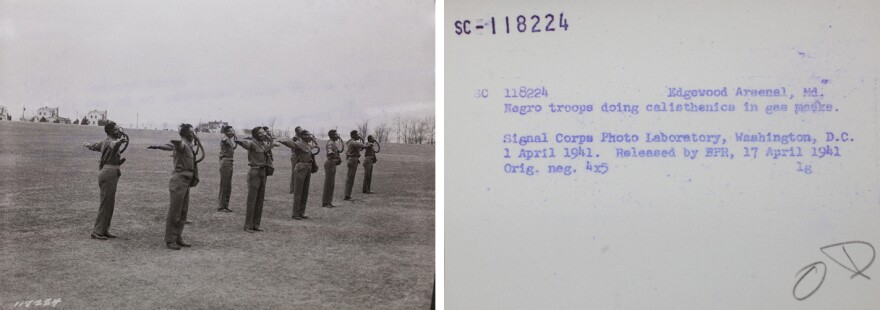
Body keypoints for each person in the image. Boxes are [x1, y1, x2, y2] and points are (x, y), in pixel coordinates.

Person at [148, 124, 200, 250]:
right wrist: (176, 141)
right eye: (191, 132)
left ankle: (178, 237)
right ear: (185, 133)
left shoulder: (189, 145)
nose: (193, 134)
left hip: (186, 181)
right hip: (179, 180)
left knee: (183, 211)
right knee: (175, 212)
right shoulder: (182, 145)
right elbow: (177, 145)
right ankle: (170, 240)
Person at [81, 121, 127, 240]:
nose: (119, 131)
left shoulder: (104, 142)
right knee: (105, 203)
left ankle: (104, 230)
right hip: (109, 174)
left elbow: (94, 146)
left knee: (109, 204)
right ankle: (97, 231)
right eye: (116, 129)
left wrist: (87, 145)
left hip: (109, 173)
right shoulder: (111, 142)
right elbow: (114, 145)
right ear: (111, 132)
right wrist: (119, 142)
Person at [235, 126, 275, 232]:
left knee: (260, 199)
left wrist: (270, 139)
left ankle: (256, 224)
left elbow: (269, 146)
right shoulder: (252, 143)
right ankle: (248, 225)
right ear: (256, 134)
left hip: (263, 172)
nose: (263, 134)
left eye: (264, 132)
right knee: (252, 200)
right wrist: (239, 141)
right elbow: (245, 144)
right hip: (255, 172)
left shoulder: (262, 144)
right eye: (261, 133)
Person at [279, 129, 317, 220]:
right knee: (298, 191)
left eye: (309, 135)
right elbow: (291, 144)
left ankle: (301, 212)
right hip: (301, 167)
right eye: (307, 135)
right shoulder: (299, 143)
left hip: (308, 167)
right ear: (302, 136)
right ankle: (295, 213)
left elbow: (313, 147)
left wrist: (315, 143)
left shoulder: (307, 145)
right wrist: (282, 141)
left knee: (305, 191)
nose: (309, 136)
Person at [343, 130, 372, 201]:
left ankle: (347, 195)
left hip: (352, 159)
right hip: (353, 160)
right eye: (356, 135)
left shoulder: (350, 141)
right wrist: (363, 140)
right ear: (353, 135)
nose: (357, 136)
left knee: (349, 178)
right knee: (350, 178)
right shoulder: (353, 142)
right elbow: (364, 146)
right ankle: (347, 196)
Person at [217, 126, 236, 212]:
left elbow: (233, 147)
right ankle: (221, 206)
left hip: (229, 162)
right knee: (224, 185)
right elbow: (224, 140)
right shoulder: (225, 139)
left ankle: (225, 205)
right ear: (227, 132)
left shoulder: (229, 139)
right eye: (231, 131)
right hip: (225, 162)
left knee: (228, 185)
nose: (233, 132)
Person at [322, 129, 343, 208]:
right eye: (336, 134)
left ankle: (329, 201)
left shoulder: (333, 143)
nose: (338, 135)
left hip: (333, 163)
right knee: (328, 184)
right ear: (332, 135)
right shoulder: (330, 143)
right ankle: (325, 202)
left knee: (331, 184)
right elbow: (330, 152)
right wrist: (334, 156)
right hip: (330, 163)